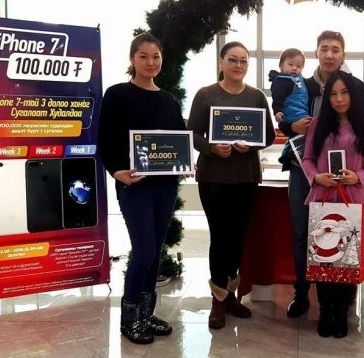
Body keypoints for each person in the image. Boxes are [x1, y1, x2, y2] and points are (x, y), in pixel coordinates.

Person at [98, 33, 186, 344]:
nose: (150, 62)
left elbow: (179, 140)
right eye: (143, 56)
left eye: (155, 57)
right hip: (134, 186)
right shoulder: (117, 94)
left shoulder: (169, 99)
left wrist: (185, 163)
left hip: (165, 186)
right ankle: (129, 318)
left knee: (155, 250)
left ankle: (146, 314)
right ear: (132, 59)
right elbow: (105, 139)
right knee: (144, 249)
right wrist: (115, 172)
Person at [278, 30, 364, 319]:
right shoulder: (300, 84)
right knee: (302, 233)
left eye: (335, 49)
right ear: (316, 52)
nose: (329, 55)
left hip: (345, 178)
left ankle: (342, 295)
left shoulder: (356, 87)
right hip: (304, 172)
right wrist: (290, 127)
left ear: (343, 54)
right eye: (324, 49)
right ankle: (302, 293)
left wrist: (359, 174)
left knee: (342, 232)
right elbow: (284, 117)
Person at [186, 41, 276, 330]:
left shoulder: (256, 96)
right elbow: (191, 134)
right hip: (213, 177)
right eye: (233, 60)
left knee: (237, 237)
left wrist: (251, 144)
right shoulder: (205, 95)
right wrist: (212, 148)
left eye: (243, 61)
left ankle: (231, 295)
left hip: (245, 177)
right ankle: (218, 298)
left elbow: (269, 135)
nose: (238, 65)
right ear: (221, 62)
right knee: (220, 237)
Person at [302, 70, 364, 338]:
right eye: (333, 94)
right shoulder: (317, 125)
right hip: (323, 200)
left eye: (344, 92)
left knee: (347, 260)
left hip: (353, 202)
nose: (339, 99)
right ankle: (326, 311)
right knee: (323, 259)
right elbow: (307, 159)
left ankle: (342, 310)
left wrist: (358, 177)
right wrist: (316, 177)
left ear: (353, 95)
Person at [268, 48, 307, 124]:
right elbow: (277, 97)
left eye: (299, 66)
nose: (294, 68)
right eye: (290, 64)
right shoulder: (281, 80)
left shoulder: (300, 79)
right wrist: (277, 111)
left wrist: (319, 89)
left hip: (303, 114)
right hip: (290, 116)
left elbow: (311, 88)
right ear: (281, 65)